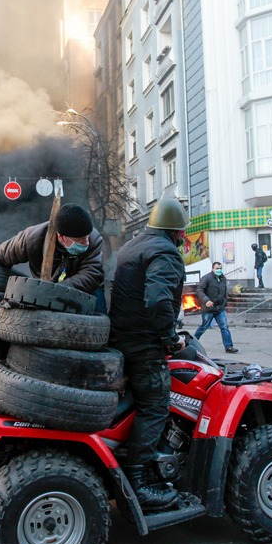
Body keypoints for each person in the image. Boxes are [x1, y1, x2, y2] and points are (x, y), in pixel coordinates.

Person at [109, 194, 188, 510]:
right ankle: (139, 481)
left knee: (135, 402)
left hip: (120, 337)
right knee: (155, 405)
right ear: (176, 231)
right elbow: (157, 299)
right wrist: (170, 339)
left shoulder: (131, 246)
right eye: (182, 232)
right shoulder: (165, 252)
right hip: (144, 344)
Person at [0, 203, 104, 294]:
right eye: (80, 240)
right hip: (44, 290)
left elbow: (91, 274)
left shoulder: (94, 239)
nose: (86, 242)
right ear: (61, 237)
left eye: (87, 237)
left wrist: (56, 289)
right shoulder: (32, 238)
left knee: (98, 308)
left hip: (85, 290)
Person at [194, 262, 239, 353]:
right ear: (212, 269)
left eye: (220, 268)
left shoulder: (223, 278)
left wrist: (225, 302)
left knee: (224, 327)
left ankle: (229, 347)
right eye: (217, 268)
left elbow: (224, 292)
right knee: (203, 327)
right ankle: (191, 343)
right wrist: (206, 300)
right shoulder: (206, 278)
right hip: (208, 309)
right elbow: (199, 290)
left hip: (220, 308)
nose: (219, 270)